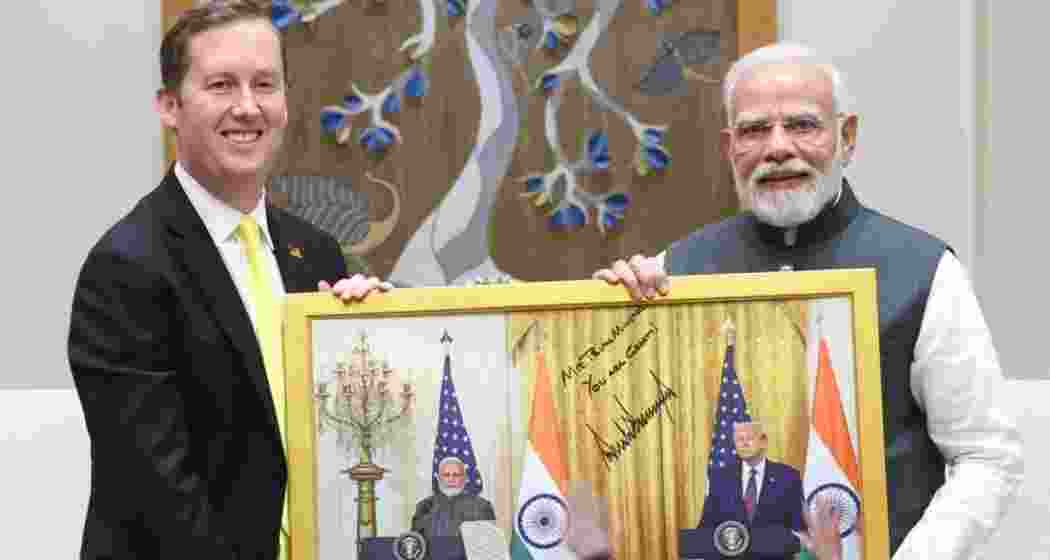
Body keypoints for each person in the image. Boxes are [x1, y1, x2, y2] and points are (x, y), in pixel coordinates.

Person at [594, 42, 1023, 558]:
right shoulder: (674, 270)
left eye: (802, 125)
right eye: (755, 130)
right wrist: (611, 315)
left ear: (847, 137)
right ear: (731, 147)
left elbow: (985, 456)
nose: (777, 148)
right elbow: (627, 443)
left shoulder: (925, 271)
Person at [67, 2, 389, 558]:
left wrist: (373, 338)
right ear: (170, 106)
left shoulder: (316, 255)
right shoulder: (124, 268)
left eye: (265, 83)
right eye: (221, 84)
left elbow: (335, 439)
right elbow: (159, 493)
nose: (247, 107)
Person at [699, 421, 804, 559]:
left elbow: (798, 528)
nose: (744, 443)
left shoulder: (788, 477)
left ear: (764, 441)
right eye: (739, 439)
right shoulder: (720, 477)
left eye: (749, 438)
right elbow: (706, 526)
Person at [411, 456, 496, 538]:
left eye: (456, 475)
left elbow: (488, 541)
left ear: (465, 478)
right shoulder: (424, 506)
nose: (451, 479)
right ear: (439, 478)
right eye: (446, 475)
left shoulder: (483, 506)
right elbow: (415, 542)